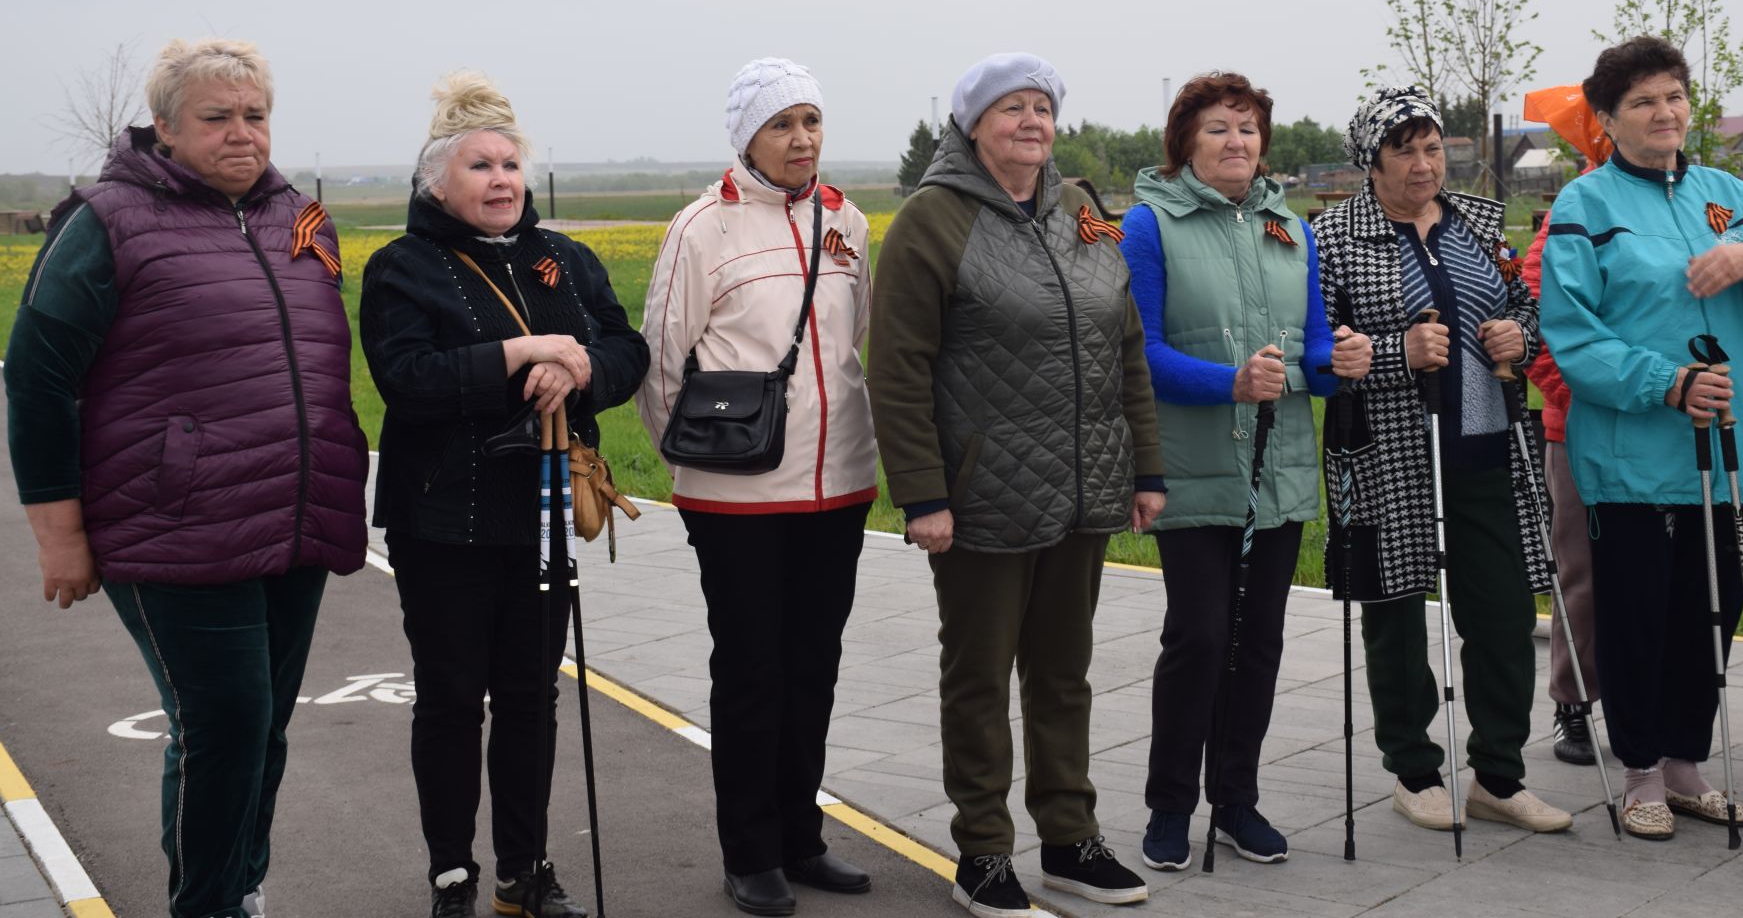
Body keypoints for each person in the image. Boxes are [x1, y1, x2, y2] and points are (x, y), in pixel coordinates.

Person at [4, 38, 369, 918]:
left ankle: (240, 886)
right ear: (165, 127)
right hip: (172, 522)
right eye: (217, 117)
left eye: (255, 115)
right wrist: (61, 536)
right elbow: (38, 374)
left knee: (264, 727)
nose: (242, 133)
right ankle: (204, 905)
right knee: (224, 725)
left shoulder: (297, 218)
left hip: (294, 514)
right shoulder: (107, 219)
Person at [869, 53, 1163, 918]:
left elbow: (1126, 345)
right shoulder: (932, 218)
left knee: (1065, 672)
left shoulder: (1083, 213)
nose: (1032, 122)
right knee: (979, 675)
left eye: (1043, 107)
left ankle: (1070, 838)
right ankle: (984, 854)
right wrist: (923, 494)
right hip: (981, 493)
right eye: (1011, 108)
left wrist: (1145, 467)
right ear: (972, 125)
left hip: (1083, 486)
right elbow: (897, 369)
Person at [360, 74, 649, 918]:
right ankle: (453, 871)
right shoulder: (401, 268)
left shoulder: (564, 257)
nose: (501, 180)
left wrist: (584, 364)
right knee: (452, 699)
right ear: (436, 183)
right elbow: (407, 381)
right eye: (480, 165)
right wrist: (527, 355)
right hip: (442, 519)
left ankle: (526, 871)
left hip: (544, 516)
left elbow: (625, 346)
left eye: (512, 163)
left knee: (530, 699)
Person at [1541, 36, 1743, 840]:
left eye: (1674, 96)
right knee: (1636, 618)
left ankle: (1686, 764)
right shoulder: (1584, 207)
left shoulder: (1728, 193)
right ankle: (1638, 773)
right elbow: (1572, 334)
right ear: (1607, 118)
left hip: (1724, 453)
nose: (1665, 113)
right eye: (1643, 102)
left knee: (1710, 613)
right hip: (1633, 456)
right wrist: (1665, 383)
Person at [639, 58, 879, 917]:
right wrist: (699, 458)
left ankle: (799, 836)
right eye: (782, 124)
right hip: (735, 496)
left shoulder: (846, 218)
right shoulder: (702, 228)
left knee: (813, 667)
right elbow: (663, 362)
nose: (802, 140)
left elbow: (862, 347)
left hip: (840, 485)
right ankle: (749, 852)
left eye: (811, 121)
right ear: (747, 136)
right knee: (752, 672)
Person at [1117, 72, 1373, 871]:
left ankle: (1236, 800)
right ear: (1185, 142)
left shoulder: (1292, 227)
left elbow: (1316, 348)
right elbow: (1141, 353)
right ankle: (1169, 808)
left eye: (1250, 130)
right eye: (1220, 129)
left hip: (1280, 466)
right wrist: (1227, 382)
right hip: (1191, 469)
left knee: (1258, 641)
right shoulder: (1147, 225)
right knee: (1197, 637)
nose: (1238, 143)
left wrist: (1343, 362)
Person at [1311, 87, 1572, 835]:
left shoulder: (1477, 224)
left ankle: (1499, 772)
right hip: (1388, 450)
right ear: (1372, 160)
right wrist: (1397, 352)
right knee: (1394, 611)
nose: (1425, 165)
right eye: (1405, 151)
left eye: (1434, 149)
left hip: (1487, 443)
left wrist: (1518, 337)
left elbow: (1525, 308)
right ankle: (1414, 768)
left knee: (1503, 612)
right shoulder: (1334, 237)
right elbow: (1319, 348)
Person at [1517, 87, 1614, 766]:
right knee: (1580, 570)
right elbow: (1536, 316)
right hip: (1577, 428)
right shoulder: (1571, 214)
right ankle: (1572, 704)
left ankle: (1652, 700)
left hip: (1659, 426)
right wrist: (1576, 395)